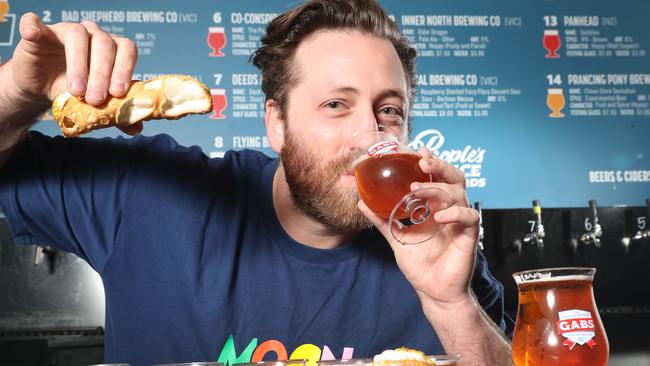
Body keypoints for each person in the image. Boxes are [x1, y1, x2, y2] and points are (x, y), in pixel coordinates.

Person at [0, 1, 513, 365]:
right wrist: (16, 92)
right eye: (337, 104)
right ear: (276, 123)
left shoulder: (436, 249)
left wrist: (452, 305)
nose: (369, 133)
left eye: (389, 110)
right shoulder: (146, 196)